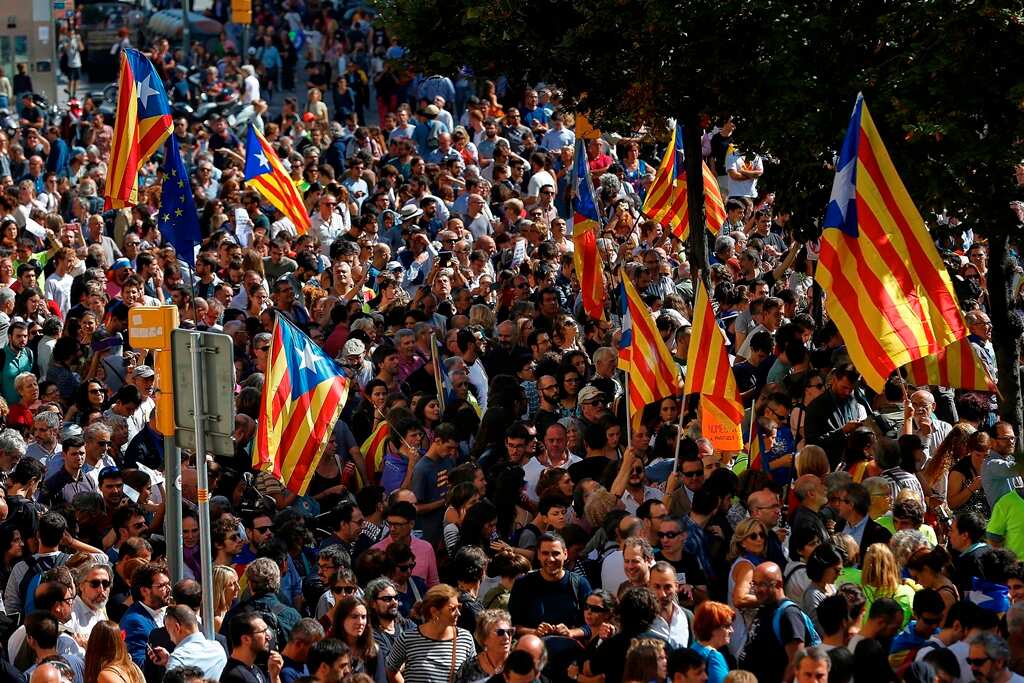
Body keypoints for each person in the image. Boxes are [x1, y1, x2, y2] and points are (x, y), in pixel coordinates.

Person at [737, 562, 815, 682]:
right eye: (754, 584)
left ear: (778, 584)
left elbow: (796, 660)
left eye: (762, 584)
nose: (756, 589)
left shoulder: (789, 614)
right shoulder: (765, 608)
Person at [383, 584, 476, 683]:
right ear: (434, 611)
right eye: (452, 609)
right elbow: (391, 669)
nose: (458, 613)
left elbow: (474, 674)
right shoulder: (408, 638)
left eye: (459, 607)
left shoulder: (465, 638)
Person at [148, 604, 228, 679]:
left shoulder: (178, 659)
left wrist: (172, 661)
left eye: (169, 631)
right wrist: (168, 661)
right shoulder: (218, 648)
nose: (171, 638)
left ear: (177, 627)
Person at [330, 597, 385, 682]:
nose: (360, 622)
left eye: (363, 617)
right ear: (341, 619)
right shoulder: (330, 651)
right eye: (354, 616)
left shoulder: (373, 651)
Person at [222, 612, 284, 683]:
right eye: (263, 631)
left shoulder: (254, 668)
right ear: (246, 639)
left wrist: (274, 677)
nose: (268, 637)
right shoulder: (234, 677)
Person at [453, 609, 513, 683]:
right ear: (485, 638)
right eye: (500, 632)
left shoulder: (519, 665)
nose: (507, 637)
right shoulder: (468, 668)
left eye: (510, 631)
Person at [692, 601, 735, 683]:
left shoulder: (693, 649)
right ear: (712, 628)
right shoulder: (714, 657)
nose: (732, 630)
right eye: (727, 626)